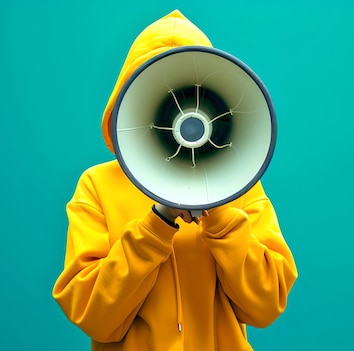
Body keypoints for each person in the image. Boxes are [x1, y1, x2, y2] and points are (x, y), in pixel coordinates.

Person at [52, 9, 298, 351]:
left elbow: (266, 305)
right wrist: (157, 224)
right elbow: (95, 316)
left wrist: (221, 214)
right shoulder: (98, 185)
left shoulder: (241, 186)